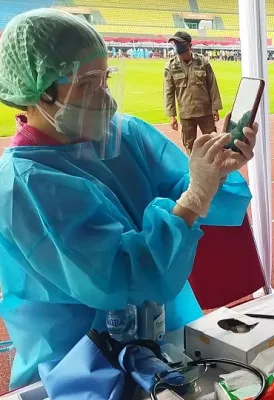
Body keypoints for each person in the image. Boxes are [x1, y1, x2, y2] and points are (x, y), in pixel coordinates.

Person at [0, 9, 257, 389]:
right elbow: (121, 277)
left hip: (163, 333)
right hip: (84, 364)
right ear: (40, 91)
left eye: (104, 79)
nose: (106, 99)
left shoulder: (122, 135)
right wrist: (197, 193)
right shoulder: (25, 187)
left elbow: (184, 185)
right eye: (88, 83)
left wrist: (216, 169)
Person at [164, 31, 223, 155]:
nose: (180, 54)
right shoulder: (171, 66)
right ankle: (194, 171)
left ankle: (215, 171)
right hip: (186, 114)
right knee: (190, 146)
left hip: (205, 111)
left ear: (189, 46)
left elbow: (212, 85)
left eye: (180, 45)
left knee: (212, 143)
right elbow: (169, 92)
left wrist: (215, 108)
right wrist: (172, 116)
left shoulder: (202, 62)